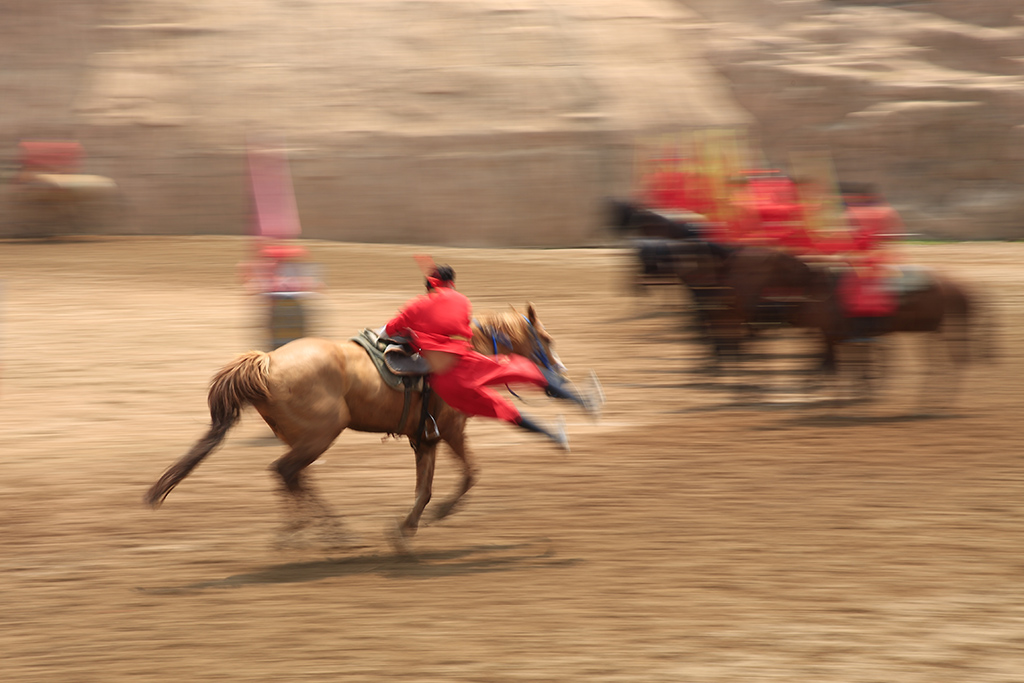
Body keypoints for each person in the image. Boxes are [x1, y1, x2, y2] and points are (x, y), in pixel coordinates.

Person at [382, 261, 600, 451]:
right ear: (451, 284)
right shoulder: (462, 301)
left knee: (503, 411)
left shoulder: (417, 305)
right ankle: (583, 402)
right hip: (464, 367)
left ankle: (555, 436)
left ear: (430, 286)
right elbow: (466, 329)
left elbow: (388, 331)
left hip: (444, 385)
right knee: (526, 370)